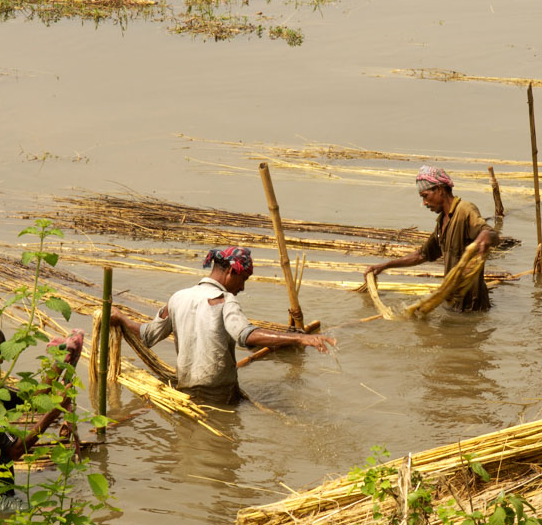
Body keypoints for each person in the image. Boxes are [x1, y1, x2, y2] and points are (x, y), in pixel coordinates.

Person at [109, 247, 335, 405]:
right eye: (243, 279)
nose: (243, 288)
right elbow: (246, 336)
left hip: (186, 390)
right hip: (220, 395)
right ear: (231, 271)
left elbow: (148, 335)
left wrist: (121, 318)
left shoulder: (177, 298)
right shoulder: (225, 300)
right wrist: (298, 338)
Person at [0, 321, 82, 504]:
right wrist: (53, 413)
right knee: (44, 513)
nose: (1, 361)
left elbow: (30, 401)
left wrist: (59, 364)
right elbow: (15, 451)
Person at [365, 166, 498, 312]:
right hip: (452, 302)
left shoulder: (464, 210)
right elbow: (421, 255)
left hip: (472, 307)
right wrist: (384, 266)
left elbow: (490, 233)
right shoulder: (442, 222)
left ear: (440, 190)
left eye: (425, 196)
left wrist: (485, 237)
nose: (424, 203)